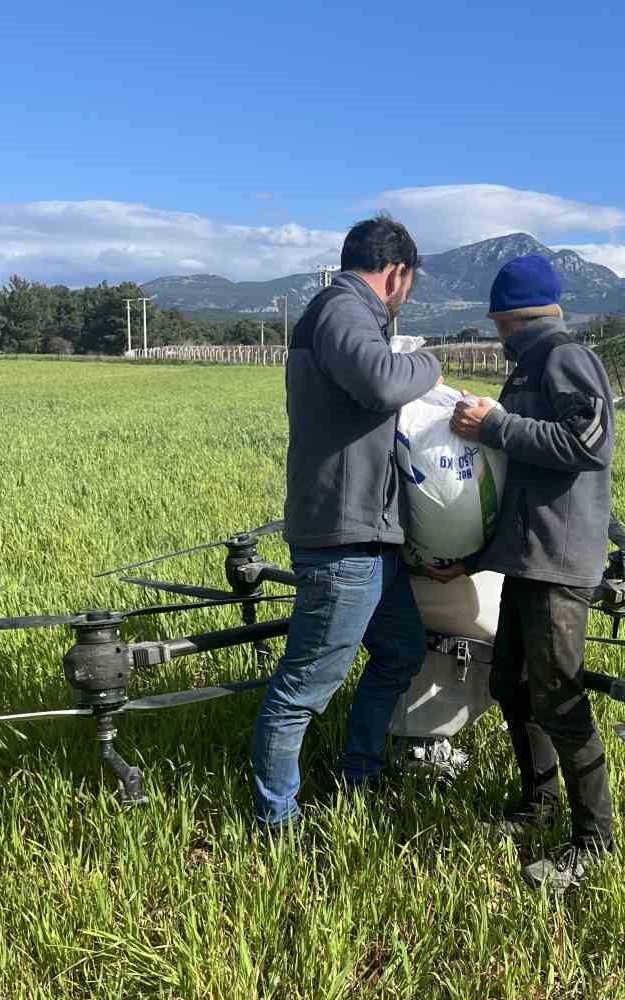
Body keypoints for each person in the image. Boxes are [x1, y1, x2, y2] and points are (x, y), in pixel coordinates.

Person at [249, 214, 444, 837]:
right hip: (343, 537)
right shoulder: (341, 308)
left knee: (400, 650)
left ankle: (359, 772)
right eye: (409, 283)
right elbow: (381, 381)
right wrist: (430, 363)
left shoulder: (350, 312)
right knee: (304, 688)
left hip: (369, 536)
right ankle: (276, 825)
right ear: (398, 274)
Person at [448, 254, 619, 895]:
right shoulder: (530, 364)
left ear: (507, 316)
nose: (496, 334)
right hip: (527, 559)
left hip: (558, 563)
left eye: (496, 322)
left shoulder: (563, 356)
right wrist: (468, 559)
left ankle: (595, 843)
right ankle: (540, 802)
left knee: (560, 697)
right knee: (511, 685)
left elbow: (589, 444)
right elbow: (518, 482)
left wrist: (498, 423)